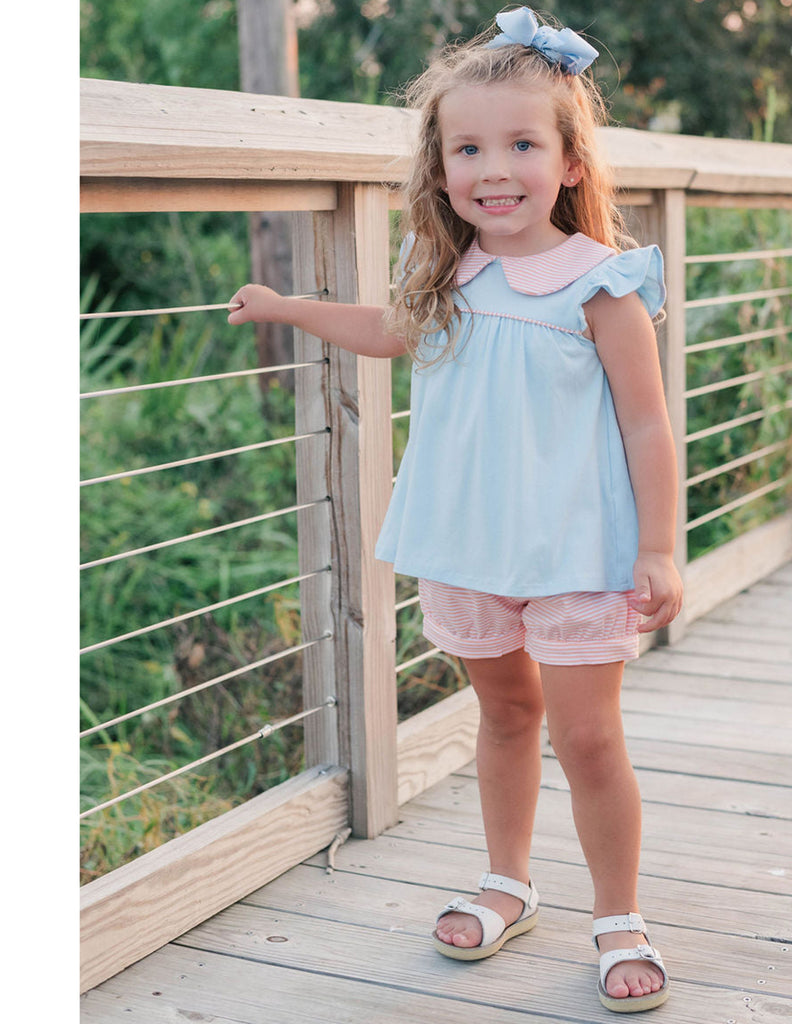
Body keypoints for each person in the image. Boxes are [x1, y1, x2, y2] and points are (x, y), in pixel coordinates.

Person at [228, 6, 682, 1013]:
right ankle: (507, 881)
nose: (494, 168)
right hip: (470, 547)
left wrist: (658, 547)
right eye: (467, 146)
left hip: (574, 553)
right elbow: (387, 331)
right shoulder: (446, 272)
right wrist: (290, 306)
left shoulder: (599, 283)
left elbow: (648, 427)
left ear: (567, 160)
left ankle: (619, 917)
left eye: (522, 143)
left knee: (590, 738)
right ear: (439, 168)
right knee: (506, 713)